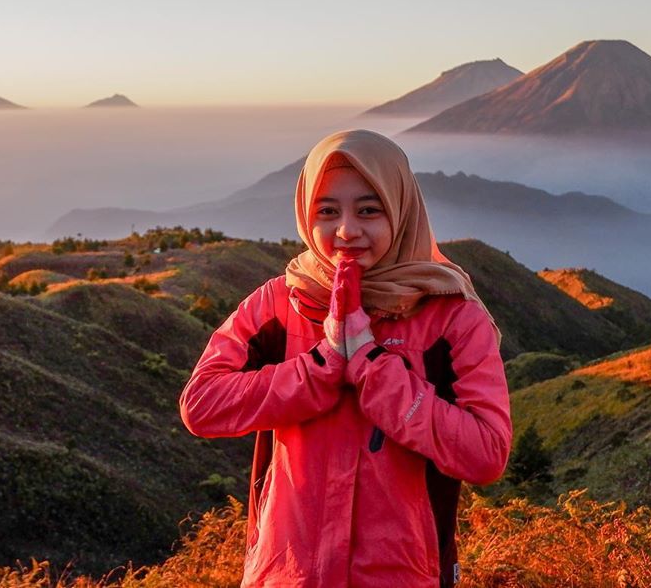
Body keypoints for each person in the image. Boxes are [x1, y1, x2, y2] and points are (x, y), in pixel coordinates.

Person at [179, 129, 512, 587]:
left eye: (369, 210)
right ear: (305, 214)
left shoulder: (452, 317)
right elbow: (202, 405)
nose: (346, 230)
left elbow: (486, 453)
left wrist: (374, 369)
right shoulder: (282, 303)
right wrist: (322, 365)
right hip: (286, 574)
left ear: (401, 210)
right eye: (327, 211)